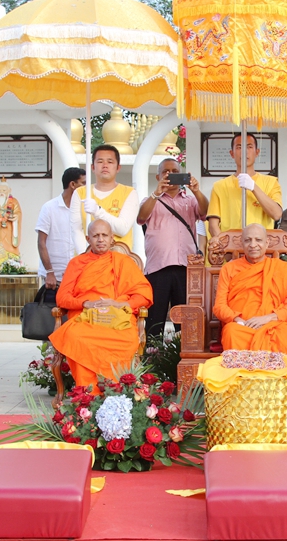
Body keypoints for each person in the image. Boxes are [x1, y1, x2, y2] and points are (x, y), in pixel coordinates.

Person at [49, 219, 152, 391]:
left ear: (112, 238)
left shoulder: (123, 262)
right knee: (74, 336)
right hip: (85, 317)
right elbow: (62, 298)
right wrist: (86, 303)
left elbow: (144, 295)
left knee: (128, 338)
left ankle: (119, 392)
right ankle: (88, 394)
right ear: (88, 239)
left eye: (105, 235)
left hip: (117, 318)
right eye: (95, 236)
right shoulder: (76, 263)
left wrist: (120, 304)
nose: (100, 239)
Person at [213, 224, 287, 366]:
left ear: (266, 243)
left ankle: (285, 386)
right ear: (242, 243)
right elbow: (219, 306)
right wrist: (237, 319)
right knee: (232, 333)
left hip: (274, 324)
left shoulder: (280, 269)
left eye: (258, 240)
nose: (253, 245)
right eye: (248, 240)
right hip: (241, 326)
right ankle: (242, 384)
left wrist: (269, 318)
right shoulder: (229, 269)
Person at [137, 158, 208, 339]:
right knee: (155, 319)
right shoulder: (150, 200)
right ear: (158, 176)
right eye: (165, 172)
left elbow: (205, 211)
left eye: (174, 171)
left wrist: (197, 191)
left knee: (184, 320)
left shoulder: (190, 200)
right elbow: (141, 217)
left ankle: (181, 358)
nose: (170, 174)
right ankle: (153, 359)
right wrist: (156, 193)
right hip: (158, 267)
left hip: (186, 267)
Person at [206, 134, 282, 237]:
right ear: (232, 153)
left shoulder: (271, 182)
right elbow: (213, 226)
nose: (244, 151)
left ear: (257, 152)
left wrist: (253, 187)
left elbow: (277, 214)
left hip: (260, 248)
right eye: (239, 147)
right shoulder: (219, 186)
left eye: (249, 147)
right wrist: (226, 247)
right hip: (230, 248)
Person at [71, 144, 138, 252]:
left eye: (110, 162)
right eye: (100, 161)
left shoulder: (129, 193)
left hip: (118, 260)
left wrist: (97, 212)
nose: (105, 165)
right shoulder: (80, 193)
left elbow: (122, 229)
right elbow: (76, 230)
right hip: (87, 260)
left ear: (118, 168)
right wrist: (86, 256)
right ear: (93, 167)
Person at [36, 167, 86, 290]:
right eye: (83, 183)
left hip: (80, 275)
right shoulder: (49, 208)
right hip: (54, 278)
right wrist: (49, 272)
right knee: (51, 309)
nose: (86, 188)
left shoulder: (85, 209)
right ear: (73, 184)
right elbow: (41, 242)